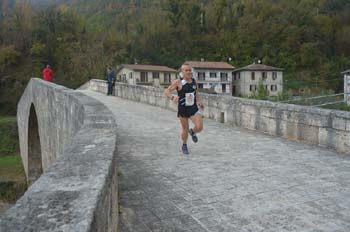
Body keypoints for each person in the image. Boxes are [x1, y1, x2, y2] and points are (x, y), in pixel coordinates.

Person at [164, 64, 204, 155]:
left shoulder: (194, 81)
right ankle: (184, 145)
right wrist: (172, 97)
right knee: (185, 129)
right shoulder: (178, 82)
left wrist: (199, 101)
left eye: (190, 70)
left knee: (199, 126)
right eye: (187, 70)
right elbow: (167, 91)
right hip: (183, 109)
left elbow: (195, 92)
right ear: (182, 72)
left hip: (193, 108)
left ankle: (193, 131)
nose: (189, 72)